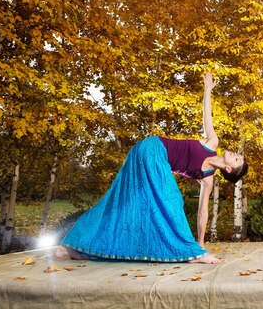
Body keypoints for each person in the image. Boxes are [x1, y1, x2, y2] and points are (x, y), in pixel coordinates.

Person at [54, 73, 248, 264]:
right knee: (172, 197)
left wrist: (201, 243)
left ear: (229, 169)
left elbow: (203, 212)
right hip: (152, 147)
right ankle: (190, 252)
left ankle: (71, 247)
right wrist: (207, 90)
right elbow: (208, 115)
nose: (235, 153)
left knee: (124, 203)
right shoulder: (212, 142)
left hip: (147, 156)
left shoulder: (207, 179)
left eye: (237, 159)